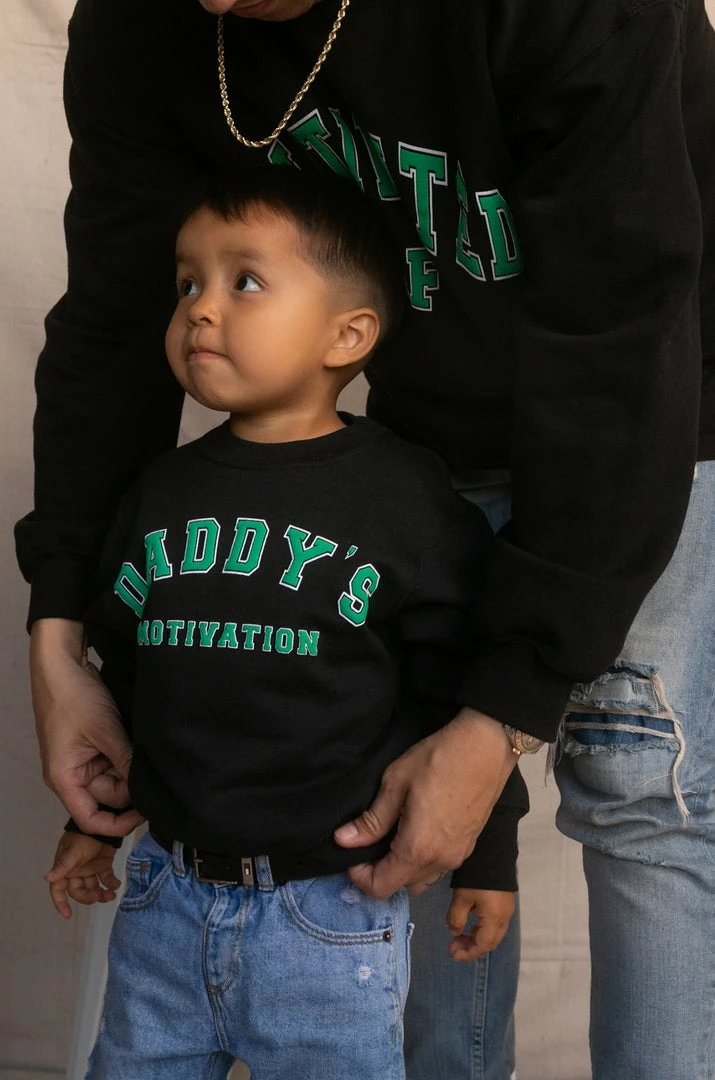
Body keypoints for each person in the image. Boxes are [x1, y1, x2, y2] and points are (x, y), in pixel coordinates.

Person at [16, 1, 714, 1077]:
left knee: (638, 792)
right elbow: (110, 319)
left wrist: (508, 704)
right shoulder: (142, 23)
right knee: (400, 808)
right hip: (424, 433)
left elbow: (616, 329)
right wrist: (60, 636)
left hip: (657, 398)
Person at [40, 168, 526, 1077]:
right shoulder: (155, 492)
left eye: (245, 281)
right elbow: (132, 688)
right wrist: (98, 825)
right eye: (187, 282)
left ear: (348, 334)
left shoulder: (406, 502)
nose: (200, 308)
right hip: (165, 898)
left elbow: (457, 695)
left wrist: (486, 859)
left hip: (329, 913)